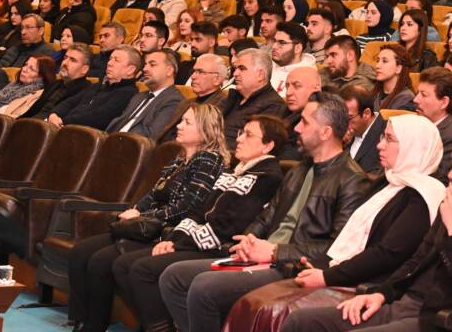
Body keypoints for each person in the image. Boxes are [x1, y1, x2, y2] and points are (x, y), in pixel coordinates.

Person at [279, 128, 452, 332]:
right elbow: (418, 259)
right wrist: (382, 293)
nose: (451, 174)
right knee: (302, 323)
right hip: (406, 305)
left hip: (442, 320)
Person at [158, 92, 368, 332]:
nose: (297, 127)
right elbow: (266, 217)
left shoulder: (352, 179)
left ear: (326, 132)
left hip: (292, 267)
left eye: (305, 122)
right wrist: (249, 240)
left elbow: (337, 248)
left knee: (203, 287)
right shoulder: (300, 169)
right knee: (173, 276)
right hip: (264, 256)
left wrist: (276, 252)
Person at [67, 104, 229, 332]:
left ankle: (94, 326)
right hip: (148, 225)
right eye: (181, 121)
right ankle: (80, 321)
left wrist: (143, 215)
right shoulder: (180, 158)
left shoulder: (209, 161)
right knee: (80, 251)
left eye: (187, 122)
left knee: (100, 261)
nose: (179, 126)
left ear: (206, 131)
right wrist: (135, 211)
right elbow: (154, 193)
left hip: (167, 231)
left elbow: (187, 207)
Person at [115, 115, 286, 332]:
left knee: (142, 269)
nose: (239, 138)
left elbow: (228, 226)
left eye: (248, 135)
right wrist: (174, 240)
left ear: (268, 145)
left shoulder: (267, 177)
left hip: (218, 248)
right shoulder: (235, 170)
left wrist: (178, 245)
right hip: (194, 242)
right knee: (124, 264)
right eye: (241, 132)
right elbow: (199, 211)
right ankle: (158, 325)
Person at [48, 45, 141, 130]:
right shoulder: (97, 86)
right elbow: (69, 103)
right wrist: (54, 114)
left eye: (116, 60)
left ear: (130, 70)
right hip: (66, 128)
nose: (109, 63)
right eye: (110, 59)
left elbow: (99, 118)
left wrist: (63, 121)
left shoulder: (128, 93)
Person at [106, 49, 184, 139]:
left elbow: (151, 136)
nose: (145, 69)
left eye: (152, 64)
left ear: (169, 71)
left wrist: (119, 138)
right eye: (145, 65)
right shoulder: (139, 96)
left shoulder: (174, 101)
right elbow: (118, 123)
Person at [220, 48, 288, 149]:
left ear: (260, 75)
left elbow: (254, 147)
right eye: (235, 69)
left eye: (242, 69)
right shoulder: (232, 98)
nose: (235, 74)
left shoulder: (274, 106)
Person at [412, 67, 452, 182]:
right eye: (417, 93)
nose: (416, 99)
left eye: (424, 95)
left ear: (444, 102)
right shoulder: (415, 126)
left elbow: (439, 180)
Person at [373, 44, 416, 112]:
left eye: (384, 61)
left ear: (398, 68)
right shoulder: (375, 94)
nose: (377, 66)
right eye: (378, 61)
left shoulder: (406, 98)